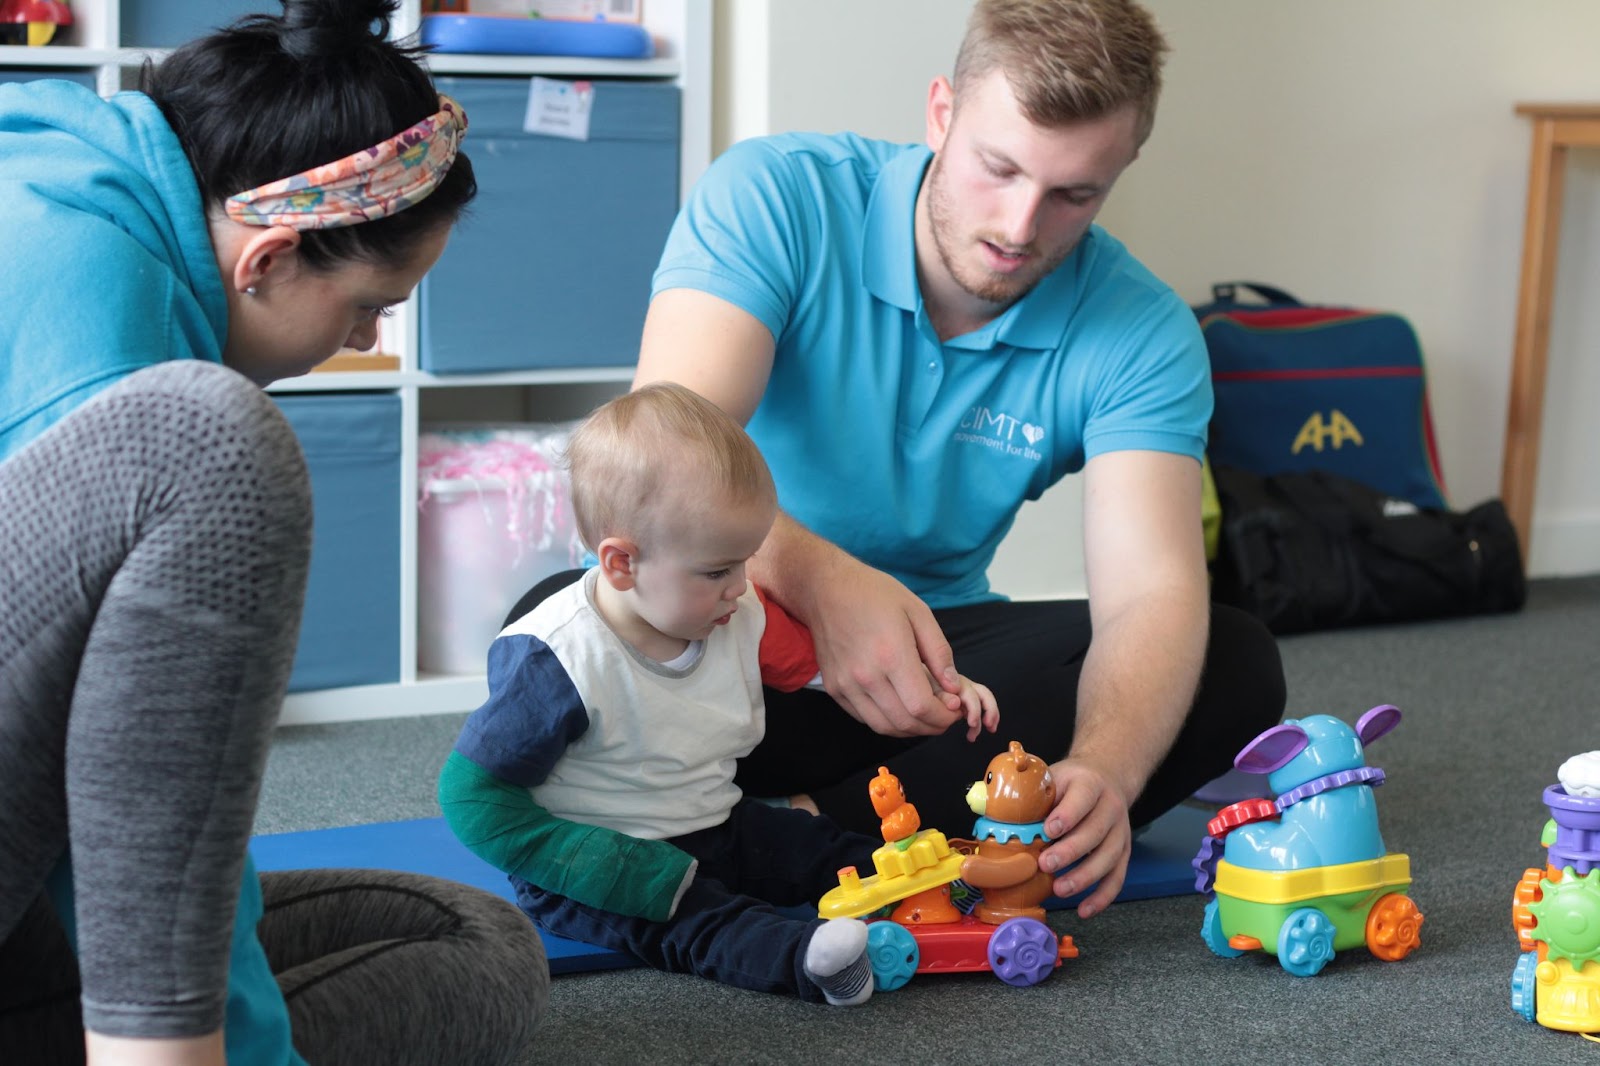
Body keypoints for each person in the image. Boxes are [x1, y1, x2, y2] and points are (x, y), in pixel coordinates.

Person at [628, 0, 1288, 921]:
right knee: (551, 625)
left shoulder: (1143, 331)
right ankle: (862, 829)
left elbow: (1151, 594)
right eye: (999, 167)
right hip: (728, 625)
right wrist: (825, 584)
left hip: (933, 681)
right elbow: (665, 451)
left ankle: (790, 838)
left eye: (1074, 194)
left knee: (1233, 661)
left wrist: (1106, 765)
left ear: (1119, 172)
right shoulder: (778, 192)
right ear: (941, 114)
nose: (1021, 226)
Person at [0, 2, 547, 1064]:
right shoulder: (113, 360)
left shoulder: (56, 158)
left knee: (459, 929)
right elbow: (109, 822)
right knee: (469, 970)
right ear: (267, 261)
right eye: (366, 306)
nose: (363, 338)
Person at [439, 382, 999, 1005]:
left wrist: (944, 685)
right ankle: (812, 963)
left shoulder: (737, 610)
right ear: (622, 564)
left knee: (816, 847)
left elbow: (828, 667)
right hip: (609, 866)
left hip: (713, 822)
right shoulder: (557, 660)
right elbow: (472, 798)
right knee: (701, 923)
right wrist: (599, 865)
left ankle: (932, 891)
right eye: (716, 571)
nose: (741, 587)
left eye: (745, 561)